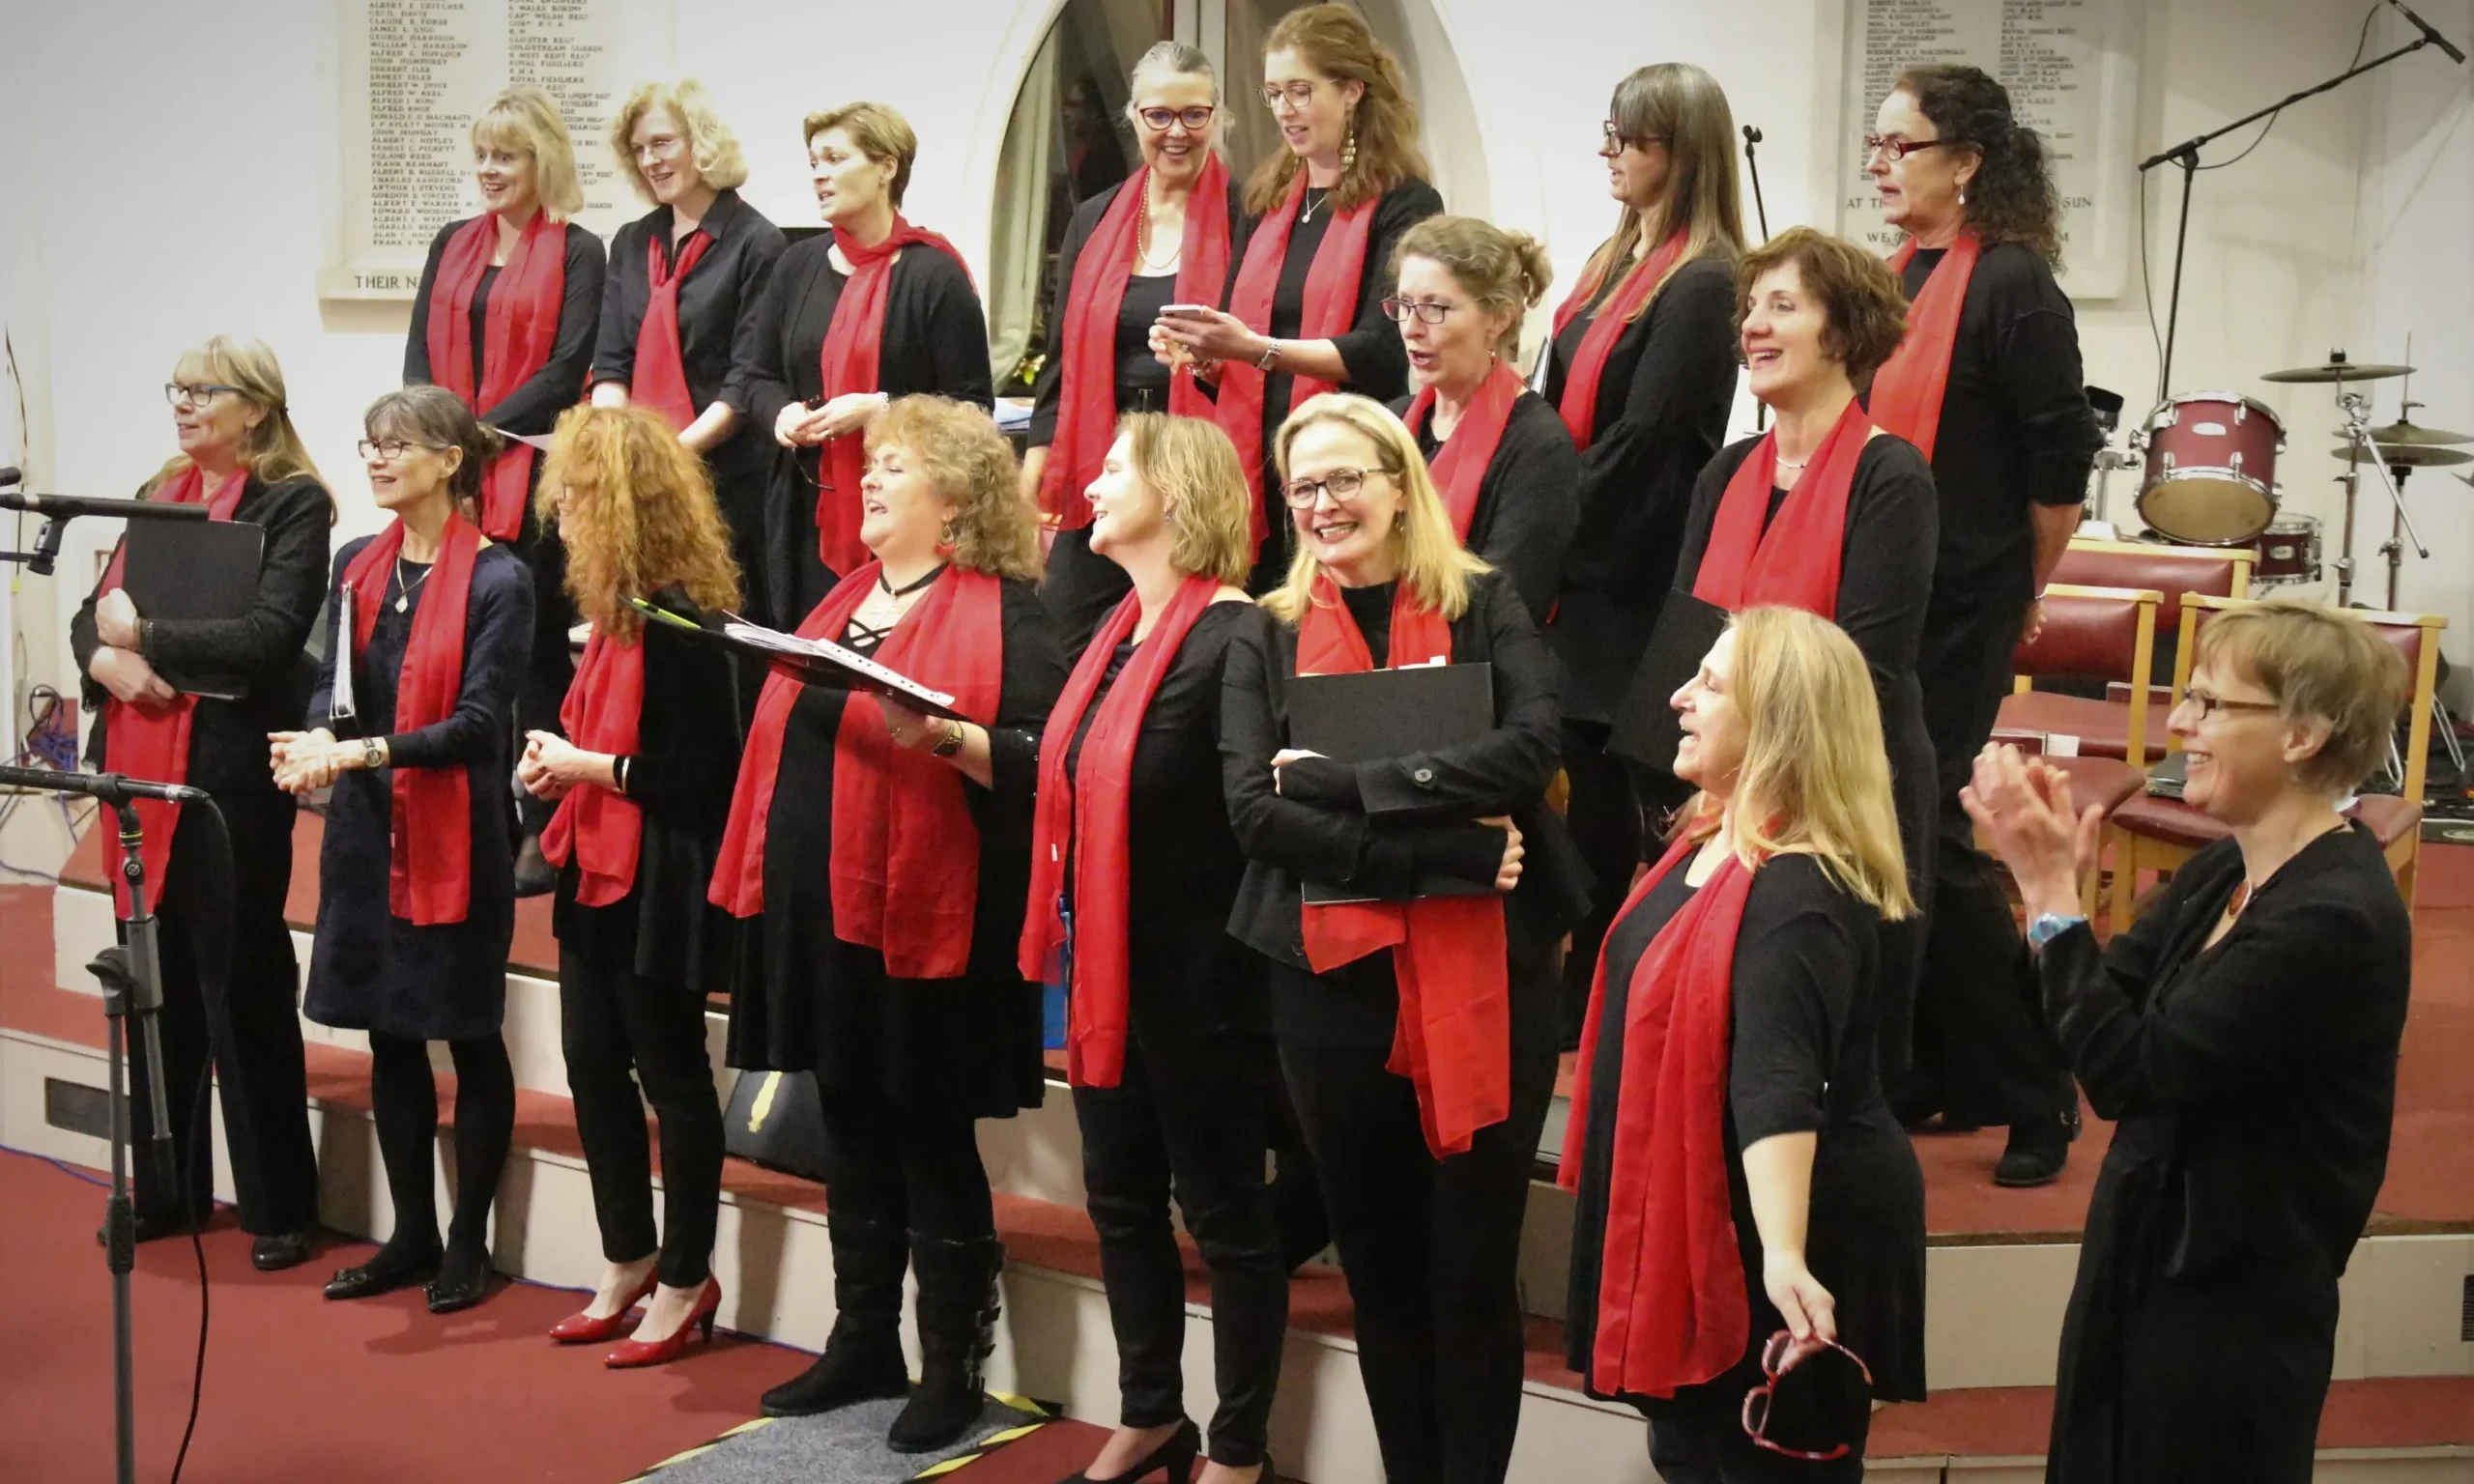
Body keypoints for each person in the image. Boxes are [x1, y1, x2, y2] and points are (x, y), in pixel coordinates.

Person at [1221, 393, 1589, 1484]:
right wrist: (1437, 855)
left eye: (1344, 479)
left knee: (1471, 1269)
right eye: (1304, 487)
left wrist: (1354, 785)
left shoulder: (1482, 600)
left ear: (1398, 482)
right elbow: (1254, 815)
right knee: (1378, 1267)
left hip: (1491, 972)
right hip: (1332, 987)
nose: (1323, 504)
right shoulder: (1267, 627)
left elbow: (1531, 748)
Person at [1963, 600, 2412, 1482]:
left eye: (2210, 703)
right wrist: (2038, 897)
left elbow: (2132, 1072)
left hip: (2232, 1308)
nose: (2179, 722)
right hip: (2147, 1263)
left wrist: (2057, 904)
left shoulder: (2333, 917)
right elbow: (2076, 1023)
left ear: (2302, 735)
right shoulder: (2226, 871)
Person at [715, 397, 1065, 1451]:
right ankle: (863, 1335)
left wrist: (949, 734)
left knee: (927, 1135)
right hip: (823, 911)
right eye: (869, 468)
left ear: (954, 497)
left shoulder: (1009, 613)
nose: (868, 481)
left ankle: (951, 1360)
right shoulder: (843, 601)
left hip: (932, 922)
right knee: (850, 1125)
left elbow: (1040, 764)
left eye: (895, 468)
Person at [1565, 606, 1927, 1481]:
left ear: (1780, 724)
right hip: (1709, 1212)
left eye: (1712, 685)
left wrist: (1786, 1255)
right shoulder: (1707, 841)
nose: (1680, 698)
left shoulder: (1798, 888)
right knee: (1689, 1453)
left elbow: (1776, 1081)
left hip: (1777, 1227)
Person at [1020, 415, 1281, 1484]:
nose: (1088, 485)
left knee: (1225, 1217)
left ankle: (1240, 1444)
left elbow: (1255, 815)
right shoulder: (1115, 632)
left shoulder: (1238, 635)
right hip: (1108, 977)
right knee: (1119, 1200)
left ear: (1175, 494)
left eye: (1113, 469)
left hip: (1201, 981)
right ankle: (1150, 1410)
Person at [1863, 64, 2102, 1185]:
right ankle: (1945, 1069)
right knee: (1898, 844)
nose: (1879, 163)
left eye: (1899, 145)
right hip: (1886, 601)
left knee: (1937, 845)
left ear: (1966, 162)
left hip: (1962, 604)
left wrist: (2020, 589)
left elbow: (2059, 467)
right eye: (1876, 145)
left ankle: (2038, 1085)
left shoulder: (2012, 286)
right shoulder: (1895, 275)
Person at [1656, 226, 1937, 1092]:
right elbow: (1687, 637)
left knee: (1826, 1066)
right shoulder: (1726, 472)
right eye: (1750, 308)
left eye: (1782, 307)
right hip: (1728, 794)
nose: (1752, 327)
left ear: (1844, 335)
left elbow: (1865, 668)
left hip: (1846, 800)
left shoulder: (1893, 478)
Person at [70, 337, 328, 1270]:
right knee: (155, 992)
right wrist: (104, 660)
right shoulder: (161, 488)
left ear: (254, 406)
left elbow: (266, 637)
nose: (182, 404)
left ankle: (278, 1202)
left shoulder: (292, 504)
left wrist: (148, 636)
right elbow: (88, 615)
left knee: (242, 988)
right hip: (139, 775)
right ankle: (169, 1191)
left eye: (202, 391)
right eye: (175, 388)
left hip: (225, 782)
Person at [277, 387, 533, 1314]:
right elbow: (332, 691)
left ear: (451, 460)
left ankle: (468, 1244)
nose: (379, 460)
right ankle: (412, 1233)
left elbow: (475, 725)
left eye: (399, 446)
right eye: (371, 445)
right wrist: (315, 747)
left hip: (456, 833)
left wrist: (362, 751)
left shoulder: (501, 578)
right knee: (390, 1035)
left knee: (466, 1032)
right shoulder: (356, 564)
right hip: (365, 831)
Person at [520, 407, 744, 1367]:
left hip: (662, 874)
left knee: (674, 1080)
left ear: (619, 507)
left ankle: (689, 1276)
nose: (559, 515)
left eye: (574, 497)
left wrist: (591, 768)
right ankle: (628, 1256)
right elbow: (594, 746)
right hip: (596, 865)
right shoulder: (615, 619)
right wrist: (551, 767)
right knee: (589, 1067)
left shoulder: (685, 621)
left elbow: (704, 777)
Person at [1539, 62, 1746, 1044]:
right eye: (1609, 134)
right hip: (1586, 559)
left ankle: (1650, 976)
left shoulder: (1705, 283)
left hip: (1642, 565)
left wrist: (1543, 523)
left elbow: (1646, 442)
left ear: (1683, 152)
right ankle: (1588, 977)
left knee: (1651, 782)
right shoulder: (1612, 260)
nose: (1611, 154)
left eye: (1632, 139)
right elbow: (1559, 410)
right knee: (1587, 774)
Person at [1153, 3, 1445, 583]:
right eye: (1274, 94)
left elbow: (1378, 349)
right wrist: (1205, 353)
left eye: (1301, 91)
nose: (1285, 110)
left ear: (1353, 91)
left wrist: (1253, 348)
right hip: (1254, 464)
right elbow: (1246, 340)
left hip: (1344, 470)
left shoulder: (1406, 204)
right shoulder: (1265, 201)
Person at [405, 84, 607, 897]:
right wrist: (431, 433)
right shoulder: (451, 241)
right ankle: (469, 812)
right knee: (450, 649)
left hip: (527, 477)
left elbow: (568, 365)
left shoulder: (580, 250)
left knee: (528, 659)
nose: (490, 169)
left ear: (542, 161)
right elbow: (421, 351)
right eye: (482, 154)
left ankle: (538, 824)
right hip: (447, 475)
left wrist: (473, 436)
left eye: (508, 156)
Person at [1024, 42, 1252, 654]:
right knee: (1063, 639)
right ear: (1134, 117)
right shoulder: (1093, 219)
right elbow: (1060, 365)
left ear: (1216, 117)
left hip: (1201, 462)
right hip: (1104, 460)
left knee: (1183, 643)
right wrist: (1033, 474)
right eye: (1159, 115)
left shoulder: (1251, 216)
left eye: (1194, 115)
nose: (1176, 132)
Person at [742, 102, 992, 624]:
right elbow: (756, 376)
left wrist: (881, 408)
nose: (819, 174)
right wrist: (780, 414)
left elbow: (972, 408)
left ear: (886, 167)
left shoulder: (935, 274)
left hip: (909, 511)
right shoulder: (796, 266)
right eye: (814, 162)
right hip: (804, 507)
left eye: (835, 158)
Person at [590, 80, 788, 631]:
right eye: (639, 149)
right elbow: (612, 362)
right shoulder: (631, 241)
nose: (650, 160)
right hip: (639, 482)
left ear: (700, 142)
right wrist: (615, 452)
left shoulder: (756, 242)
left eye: (662, 143)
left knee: (720, 644)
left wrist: (668, 457)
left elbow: (746, 381)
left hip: (725, 480)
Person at [1387, 214, 1578, 626]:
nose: (1411, 328)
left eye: (1434, 308)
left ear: (1499, 318)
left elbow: (1512, 606)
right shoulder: (1390, 422)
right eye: (1403, 305)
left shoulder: (1537, 444)